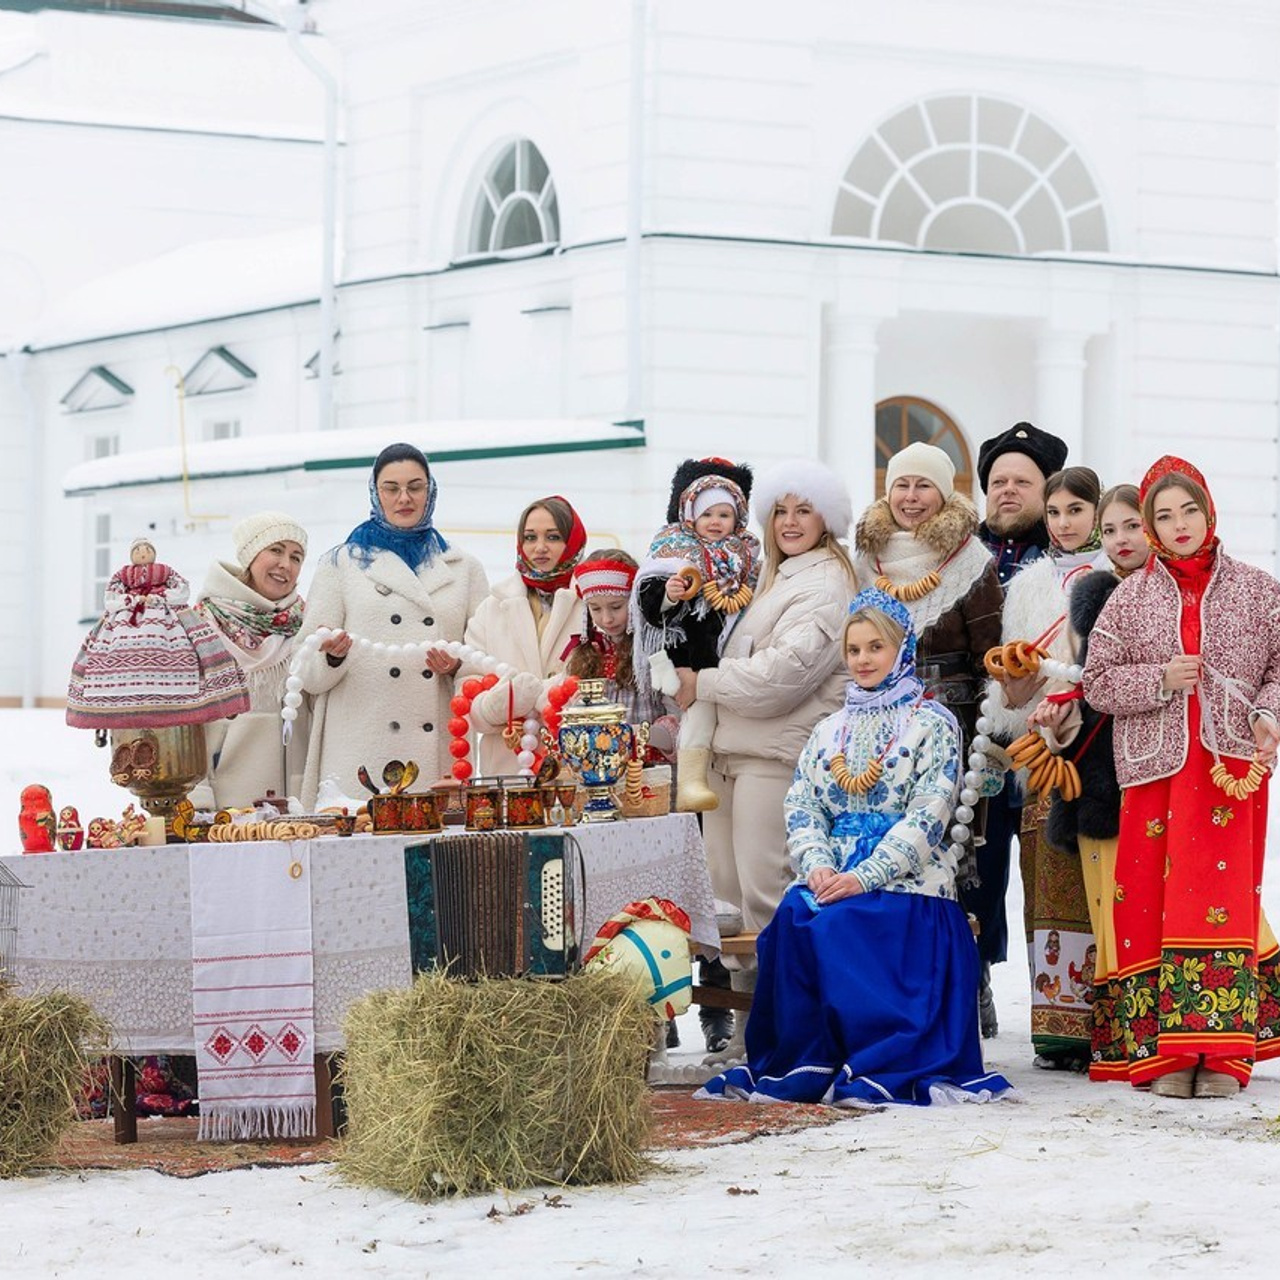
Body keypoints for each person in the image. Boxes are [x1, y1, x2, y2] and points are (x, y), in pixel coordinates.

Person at [696, 589, 1013, 1107]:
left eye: (875, 648)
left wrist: (866, 875)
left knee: (850, 920)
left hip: (908, 878)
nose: (863, 660)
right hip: (834, 872)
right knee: (796, 916)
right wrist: (818, 865)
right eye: (854, 650)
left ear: (902, 650)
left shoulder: (933, 723)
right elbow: (804, 806)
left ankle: (877, 1055)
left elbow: (929, 812)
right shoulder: (829, 729)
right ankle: (807, 1060)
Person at [1083, 456, 1280, 1097]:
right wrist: (1159, 681)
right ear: (1150, 527)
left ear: (1209, 510)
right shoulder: (1128, 598)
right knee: (1148, 900)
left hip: (1229, 769)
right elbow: (1098, 681)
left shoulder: (1258, 589)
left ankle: (1222, 1054)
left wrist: (1270, 715)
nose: (1178, 524)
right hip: (1155, 771)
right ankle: (1162, 1053)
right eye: (1163, 516)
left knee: (1218, 901)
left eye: (1188, 510)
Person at [673, 458, 857, 1061]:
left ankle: (791, 1030)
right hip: (733, 756)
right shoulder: (777, 578)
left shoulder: (828, 582)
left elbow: (783, 678)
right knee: (730, 911)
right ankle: (755, 1030)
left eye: (804, 509)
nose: (790, 520)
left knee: (769, 899)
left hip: (774, 759)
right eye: (781, 509)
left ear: (827, 518)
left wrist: (703, 683)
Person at [855, 441, 1005, 1032]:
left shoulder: (971, 561)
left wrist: (988, 739)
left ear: (944, 494)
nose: (911, 498)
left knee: (959, 855)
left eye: (924, 486)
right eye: (902, 485)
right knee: (888, 848)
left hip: (955, 722)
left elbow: (992, 655)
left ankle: (971, 981)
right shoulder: (867, 559)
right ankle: (894, 983)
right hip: (881, 726)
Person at [988, 465, 1109, 1070]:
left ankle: (1107, 1021)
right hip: (1042, 753)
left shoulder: (1117, 575)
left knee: (1099, 886)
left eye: (1076, 512)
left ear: (1096, 513)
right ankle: (1058, 1030)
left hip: (1101, 747)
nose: (1063, 523)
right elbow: (1013, 693)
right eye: (1055, 513)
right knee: (1046, 887)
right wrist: (1018, 686)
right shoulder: (1027, 584)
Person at [295, 444, 489, 807]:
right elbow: (304, 670)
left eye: (415, 487)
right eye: (391, 488)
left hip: (437, 756)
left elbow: (488, 657)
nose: (404, 498)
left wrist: (458, 667)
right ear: (375, 492)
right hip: (360, 749)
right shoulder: (340, 564)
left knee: (437, 858)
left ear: (430, 492)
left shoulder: (464, 568)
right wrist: (332, 657)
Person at [970, 422, 1068, 1038]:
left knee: (1049, 870)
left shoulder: (1066, 556)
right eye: (998, 481)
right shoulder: (960, 556)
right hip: (979, 738)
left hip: (1048, 738)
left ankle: (1061, 1005)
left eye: (1022, 482)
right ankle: (973, 974)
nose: (1008, 491)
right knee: (975, 864)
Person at [634, 457, 760, 812]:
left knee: (719, 719)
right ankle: (690, 781)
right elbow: (646, 600)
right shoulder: (673, 549)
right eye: (707, 515)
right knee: (699, 715)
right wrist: (669, 594)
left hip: (728, 655)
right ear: (690, 516)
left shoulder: (746, 554)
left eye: (724, 515)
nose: (715, 522)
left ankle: (711, 777)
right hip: (687, 656)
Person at [66, 536, 249, 730]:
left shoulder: (165, 571)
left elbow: (182, 589)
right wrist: (130, 601)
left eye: (146, 549)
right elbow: (111, 598)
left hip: (164, 611)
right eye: (138, 550)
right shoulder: (123, 575)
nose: (143, 553)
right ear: (131, 554)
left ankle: (210, 698)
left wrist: (159, 597)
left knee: (198, 645)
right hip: (128, 616)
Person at [192, 511, 310, 809]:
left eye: (297, 557)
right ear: (250, 555)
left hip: (293, 806)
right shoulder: (203, 626)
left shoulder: (305, 625)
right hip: (226, 807)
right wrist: (198, 801)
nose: (286, 564)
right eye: (276, 550)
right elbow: (188, 723)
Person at [464, 496, 587, 775]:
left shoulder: (593, 604)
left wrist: (552, 698)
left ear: (573, 541)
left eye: (553, 537)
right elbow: (467, 693)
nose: (539, 547)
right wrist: (500, 705)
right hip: (507, 773)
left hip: (576, 769)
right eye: (530, 537)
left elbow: (608, 685)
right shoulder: (491, 607)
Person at [563, 549, 672, 745]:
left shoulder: (656, 650)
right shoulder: (587, 653)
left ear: (635, 601)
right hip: (601, 770)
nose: (607, 619)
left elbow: (679, 726)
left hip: (651, 769)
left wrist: (635, 733)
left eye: (616, 607)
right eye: (595, 608)